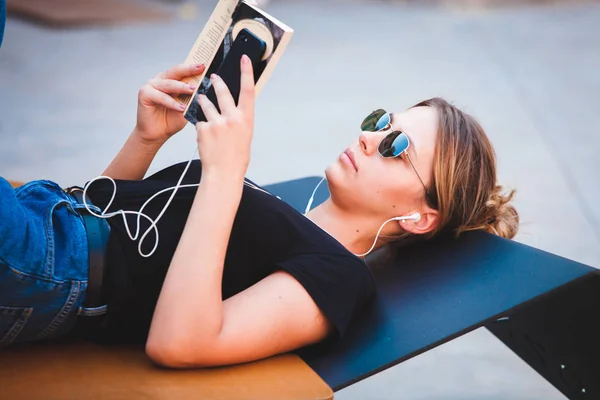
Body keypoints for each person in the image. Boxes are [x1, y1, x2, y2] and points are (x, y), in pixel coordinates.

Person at [0, 56, 518, 367]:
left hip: (40, 267)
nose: (368, 136)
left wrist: (224, 172)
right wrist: (147, 139)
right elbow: (106, 208)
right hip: (46, 218)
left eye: (395, 144)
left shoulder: (338, 277)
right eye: (382, 121)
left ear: (420, 217)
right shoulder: (281, 211)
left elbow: (177, 343)